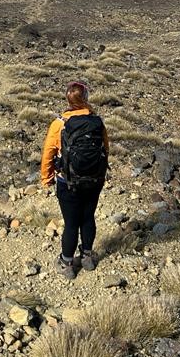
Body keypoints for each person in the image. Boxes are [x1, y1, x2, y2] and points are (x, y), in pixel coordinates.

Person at [40, 81, 110, 279]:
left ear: (67, 99)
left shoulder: (59, 124)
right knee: (88, 217)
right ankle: (87, 257)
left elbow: (48, 154)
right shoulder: (97, 121)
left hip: (68, 182)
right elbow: (105, 148)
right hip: (95, 180)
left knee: (71, 223)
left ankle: (67, 263)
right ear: (86, 98)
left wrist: (46, 179)